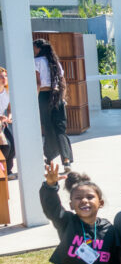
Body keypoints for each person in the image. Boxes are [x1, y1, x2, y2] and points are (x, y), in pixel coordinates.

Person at [33, 38, 72, 171]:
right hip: (57, 96)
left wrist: (34, 99)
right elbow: (63, 82)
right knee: (60, 129)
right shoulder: (55, 62)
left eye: (34, 48)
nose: (33, 51)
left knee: (48, 127)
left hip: (44, 96)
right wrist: (62, 97)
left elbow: (38, 83)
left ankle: (49, 158)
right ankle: (66, 160)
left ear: (39, 48)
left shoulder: (36, 62)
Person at [0, 67, 15, 177]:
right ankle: (2, 171)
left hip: (2, 123)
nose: (3, 78)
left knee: (12, 147)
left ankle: (7, 171)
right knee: (6, 146)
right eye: (1, 76)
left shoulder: (7, 92)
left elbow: (9, 108)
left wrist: (9, 117)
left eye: (5, 76)